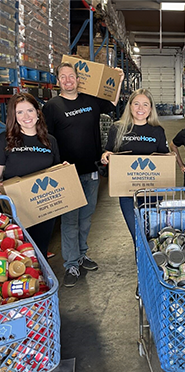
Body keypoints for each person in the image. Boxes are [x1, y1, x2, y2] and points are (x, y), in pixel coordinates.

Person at [42, 62, 124, 288]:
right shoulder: (52, 106)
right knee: (70, 221)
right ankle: (71, 264)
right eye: (63, 77)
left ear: (78, 80)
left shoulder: (89, 101)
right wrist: (54, 166)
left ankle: (81, 255)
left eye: (71, 76)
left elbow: (112, 102)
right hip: (67, 174)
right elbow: (46, 139)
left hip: (92, 169)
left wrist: (119, 79)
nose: (68, 80)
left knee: (86, 218)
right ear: (58, 81)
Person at [100, 88, 169, 243]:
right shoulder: (117, 128)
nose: (140, 108)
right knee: (137, 235)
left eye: (145, 104)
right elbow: (109, 152)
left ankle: (151, 266)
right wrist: (105, 157)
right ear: (130, 106)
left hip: (152, 191)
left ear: (151, 108)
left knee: (152, 235)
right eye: (136, 104)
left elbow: (164, 158)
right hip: (127, 192)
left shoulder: (157, 131)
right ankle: (142, 266)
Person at [0, 93, 60, 258]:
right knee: (17, 253)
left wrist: (64, 169)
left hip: (44, 206)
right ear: (13, 116)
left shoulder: (50, 141)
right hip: (15, 208)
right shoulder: (5, 140)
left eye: (30, 110)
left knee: (39, 250)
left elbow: (55, 172)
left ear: (38, 112)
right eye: (20, 112)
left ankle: (39, 282)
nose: (26, 116)